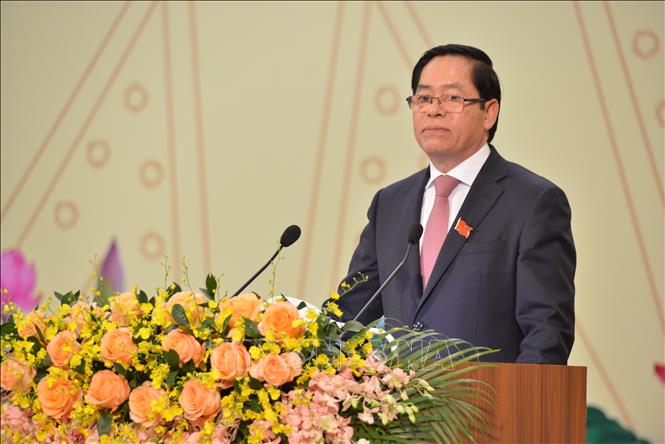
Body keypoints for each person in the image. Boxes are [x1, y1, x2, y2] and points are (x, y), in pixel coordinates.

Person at [334, 44, 576, 364]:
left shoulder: (533, 202)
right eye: (423, 98)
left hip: (488, 396)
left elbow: (546, 332)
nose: (434, 110)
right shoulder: (389, 204)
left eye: (452, 97)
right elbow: (350, 313)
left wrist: (518, 397)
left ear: (489, 112)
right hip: (399, 395)